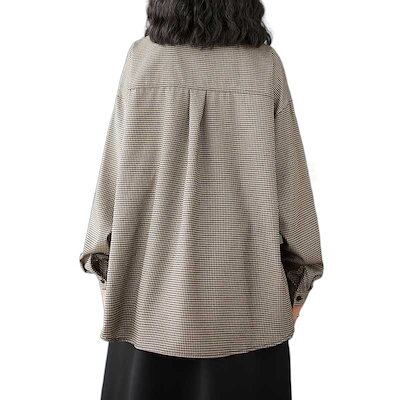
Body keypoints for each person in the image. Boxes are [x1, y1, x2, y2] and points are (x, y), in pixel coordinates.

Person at [79, 1, 324, 399]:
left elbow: (112, 182)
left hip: (146, 310)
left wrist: (106, 273)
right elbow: (292, 189)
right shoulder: (265, 67)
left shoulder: (142, 61)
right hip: (248, 313)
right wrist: (298, 285)